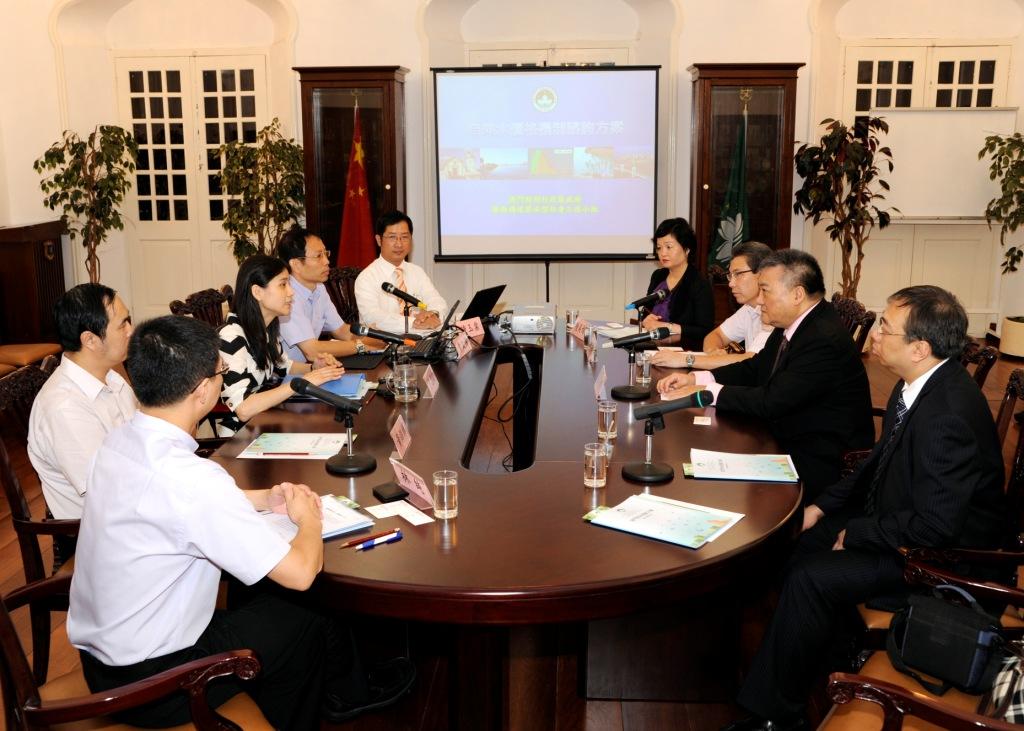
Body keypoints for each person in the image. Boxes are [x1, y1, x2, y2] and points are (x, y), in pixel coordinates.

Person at [67, 315, 414, 729]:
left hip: (102, 658)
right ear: (202, 391)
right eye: (221, 373)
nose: (222, 380)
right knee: (309, 612)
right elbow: (302, 573)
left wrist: (263, 498)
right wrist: (308, 521)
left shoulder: (119, 442)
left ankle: (326, 692)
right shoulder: (191, 480)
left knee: (262, 598)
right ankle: (308, 710)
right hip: (157, 682)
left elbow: (168, 506)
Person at [724, 285, 1008, 731]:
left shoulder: (947, 415)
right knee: (797, 542)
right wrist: (821, 508)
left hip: (939, 561)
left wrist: (857, 534)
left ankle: (775, 716)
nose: (873, 334)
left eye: (885, 328)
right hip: (898, 520)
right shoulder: (917, 383)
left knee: (811, 577)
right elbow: (876, 462)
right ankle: (815, 668)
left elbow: (936, 526)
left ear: (919, 348)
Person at [657, 249, 873, 500]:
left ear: (797, 294)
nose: (759, 300)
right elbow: (756, 367)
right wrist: (697, 378)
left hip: (819, 460)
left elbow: (771, 401)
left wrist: (707, 393)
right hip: (787, 434)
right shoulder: (794, 322)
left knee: (714, 488)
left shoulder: (822, 338)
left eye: (765, 291)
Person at [27, 283, 137, 526]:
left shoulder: (111, 376)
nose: (131, 331)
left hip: (132, 505)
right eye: (123, 324)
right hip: (102, 530)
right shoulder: (63, 407)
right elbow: (108, 493)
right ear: (90, 340)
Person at [218, 255, 345, 436]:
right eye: (283, 284)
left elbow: (284, 366)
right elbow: (243, 409)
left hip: (267, 422)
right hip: (240, 436)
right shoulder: (231, 337)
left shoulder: (267, 327)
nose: (291, 292)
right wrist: (299, 384)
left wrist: (314, 367)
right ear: (257, 292)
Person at [652, 241, 774, 370]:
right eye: (730, 275)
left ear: (762, 274)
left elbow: (751, 359)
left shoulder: (774, 312)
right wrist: (713, 352)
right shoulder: (749, 308)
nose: (731, 283)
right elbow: (715, 336)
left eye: (738, 274)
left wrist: (686, 359)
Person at [275, 225, 385, 362]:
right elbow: (312, 351)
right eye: (318, 256)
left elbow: (342, 331)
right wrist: (361, 346)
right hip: (286, 373)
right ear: (296, 264)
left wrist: (378, 337)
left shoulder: (319, 288)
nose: (327, 261)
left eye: (325, 254)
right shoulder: (286, 296)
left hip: (311, 368)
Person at [354, 210, 448, 334]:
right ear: (379, 240)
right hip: (384, 342)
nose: (399, 244)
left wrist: (433, 314)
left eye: (404, 237)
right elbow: (373, 317)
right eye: (392, 237)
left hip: (422, 338)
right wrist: (413, 322)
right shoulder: (366, 278)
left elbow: (436, 300)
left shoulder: (417, 272)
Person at [639, 217, 714, 351]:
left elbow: (705, 330)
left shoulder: (699, 283)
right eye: (659, 248)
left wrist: (669, 327)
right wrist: (647, 319)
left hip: (683, 350)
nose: (663, 253)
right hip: (653, 345)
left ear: (687, 249)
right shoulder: (658, 276)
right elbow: (646, 310)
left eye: (669, 247)